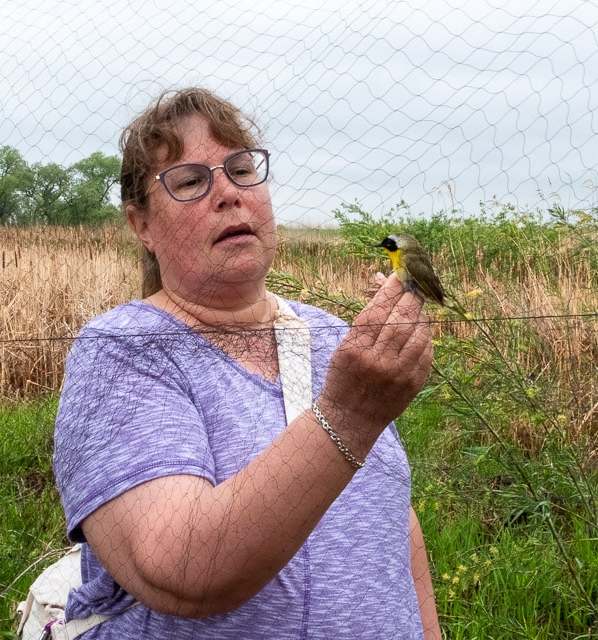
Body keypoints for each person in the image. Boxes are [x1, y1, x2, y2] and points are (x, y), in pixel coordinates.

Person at [52, 87, 440, 639]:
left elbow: (393, 526)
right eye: (190, 182)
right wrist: (350, 415)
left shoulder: (333, 337)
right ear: (142, 226)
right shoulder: (124, 352)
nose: (228, 194)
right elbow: (181, 570)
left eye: (241, 169)